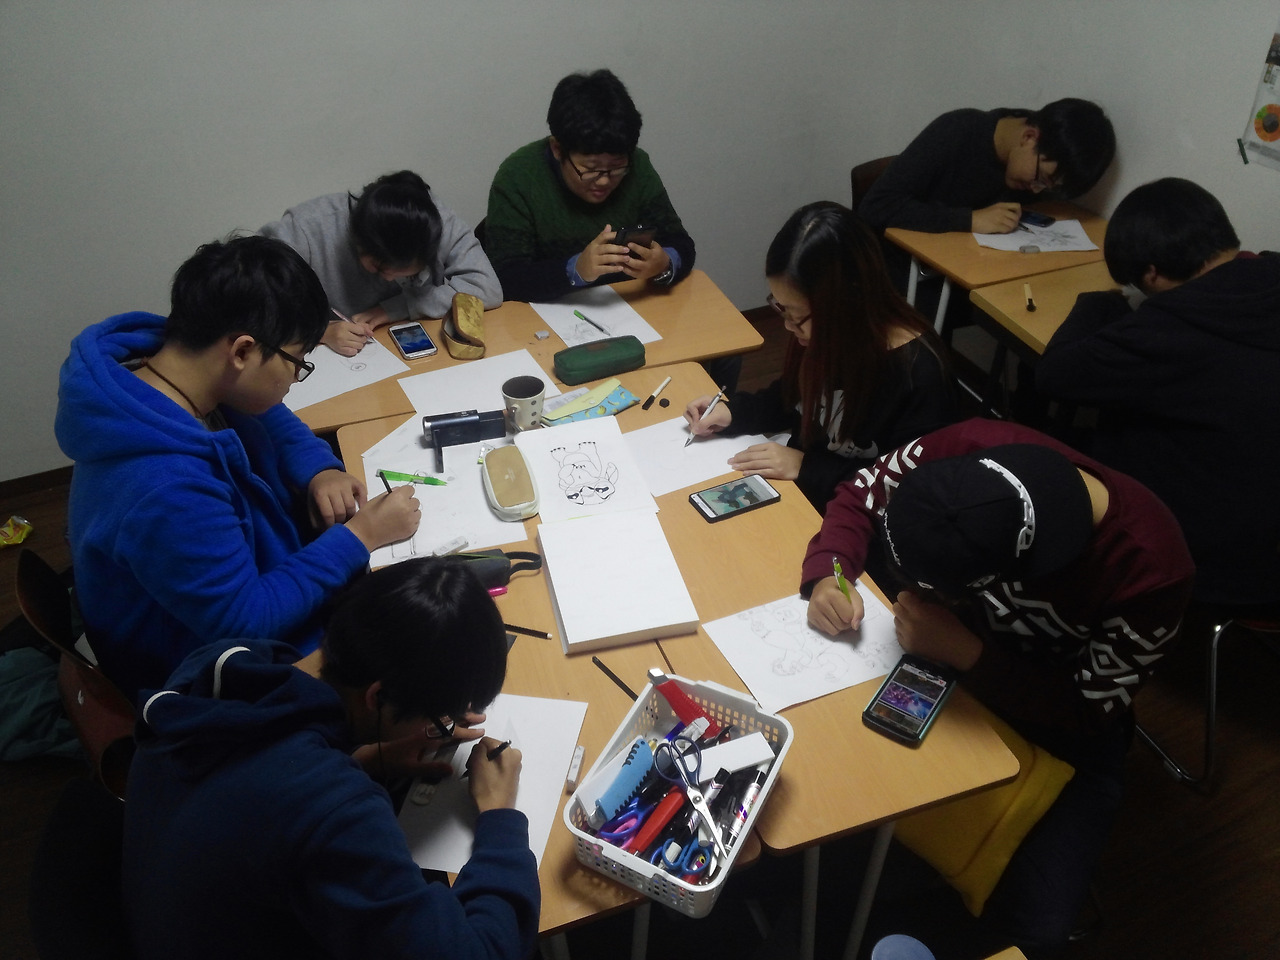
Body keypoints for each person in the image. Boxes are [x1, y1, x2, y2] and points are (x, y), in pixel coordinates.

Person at [802, 418, 1193, 952]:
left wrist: (969, 653)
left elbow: (1086, 708)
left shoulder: (1151, 570)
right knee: (823, 800)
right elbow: (859, 492)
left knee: (1037, 927)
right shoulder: (968, 447)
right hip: (939, 658)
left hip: (1054, 719)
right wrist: (832, 573)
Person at [55, 236, 421, 703]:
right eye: (297, 362)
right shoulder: (165, 488)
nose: (295, 378)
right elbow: (245, 622)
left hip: (241, 588)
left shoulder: (171, 370)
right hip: (201, 672)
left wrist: (319, 469)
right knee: (408, 659)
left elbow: (266, 411)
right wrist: (361, 536)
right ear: (243, 351)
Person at [122, 557, 540, 960]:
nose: (445, 727)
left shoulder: (228, 667)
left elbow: (252, 799)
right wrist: (499, 818)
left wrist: (360, 760)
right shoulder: (333, 813)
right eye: (440, 717)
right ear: (378, 697)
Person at [1036, 177, 1280, 608]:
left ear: (1151, 274)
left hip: (1213, 560)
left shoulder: (1171, 327)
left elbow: (1055, 374)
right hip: (1266, 539)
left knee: (1088, 437)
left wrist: (1098, 304)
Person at [684, 202, 957, 513]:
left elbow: (903, 491)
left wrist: (807, 467)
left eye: (796, 315)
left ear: (846, 302)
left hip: (854, 514)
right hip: (802, 488)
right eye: (781, 308)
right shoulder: (827, 334)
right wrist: (733, 413)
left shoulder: (920, 375)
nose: (788, 326)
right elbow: (792, 400)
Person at [483, 68, 696, 304]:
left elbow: (681, 243)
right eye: (591, 169)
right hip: (546, 311)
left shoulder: (638, 166)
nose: (604, 180)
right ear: (557, 149)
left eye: (616, 167)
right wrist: (576, 270)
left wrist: (664, 264)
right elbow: (507, 277)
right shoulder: (518, 176)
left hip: (628, 304)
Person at [260, 170, 501, 357]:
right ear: (357, 240)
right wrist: (320, 331)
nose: (389, 279)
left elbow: (486, 287)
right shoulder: (305, 230)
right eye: (379, 267)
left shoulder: (435, 222)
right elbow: (253, 304)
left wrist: (397, 308)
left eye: (408, 272)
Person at [858, 98, 1117, 236]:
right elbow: (875, 207)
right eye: (1041, 178)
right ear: (1029, 137)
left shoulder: (1042, 153)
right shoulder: (957, 131)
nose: (1036, 190)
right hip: (902, 273)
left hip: (965, 266)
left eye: (1048, 188)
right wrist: (969, 220)